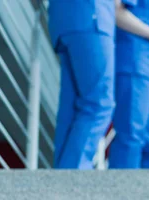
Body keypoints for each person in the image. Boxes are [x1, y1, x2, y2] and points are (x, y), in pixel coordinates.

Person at [49, 0, 116, 169]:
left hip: (65, 20)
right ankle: (72, 177)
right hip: (92, 16)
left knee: (71, 109)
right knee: (99, 103)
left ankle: (60, 180)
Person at [109, 0, 149, 168]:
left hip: (146, 67)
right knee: (131, 136)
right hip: (133, 62)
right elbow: (117, 12)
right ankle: (119, 191)